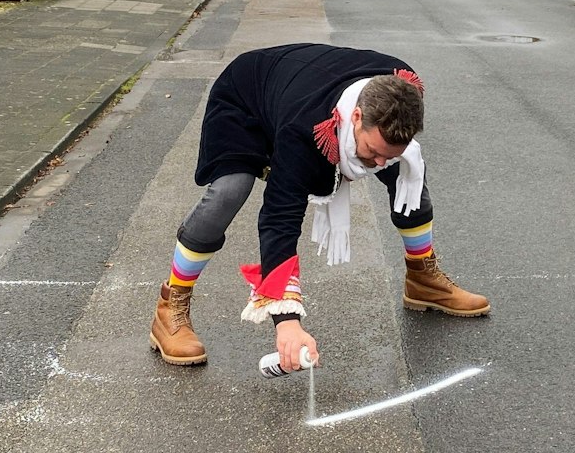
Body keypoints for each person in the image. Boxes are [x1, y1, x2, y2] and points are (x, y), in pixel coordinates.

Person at [151, 43, 490, 370]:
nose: (378, 162)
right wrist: (287, 322)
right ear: (356, 117)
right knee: (230, 190)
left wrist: (390, 157)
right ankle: (171, 306)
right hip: (246, 94)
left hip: (296, 84)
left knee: (407, 172)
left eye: (389, 152)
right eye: (373, 151)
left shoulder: (402, 89)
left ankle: (422, 277)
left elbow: (390, 152)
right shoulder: (305, 131)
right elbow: (279, 219)